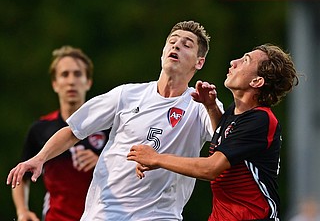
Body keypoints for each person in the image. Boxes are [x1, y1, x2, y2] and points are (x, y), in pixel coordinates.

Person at [7, 21, 224, 220]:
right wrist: (39, 158)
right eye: (172, 42)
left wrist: (211, 107)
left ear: (199, 62)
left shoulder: (202, 104)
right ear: (163, 52)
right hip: (105, 211)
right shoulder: (127, 94)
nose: (176, 46)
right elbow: (73, 130)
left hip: (160, 214)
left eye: (186, 45)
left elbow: (223, 141)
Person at [127, 43, 300, 221]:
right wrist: (211, 107)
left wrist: (157, 158)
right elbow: (228, 144)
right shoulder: (236, 113)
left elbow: (211, 168)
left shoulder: (260, 120)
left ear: (257, 82)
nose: (234, 62)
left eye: (245, 60)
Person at [11, 46, 109, 221]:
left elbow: (132, 168)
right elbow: (21, 175)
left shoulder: (107, 126)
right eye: (65, 75)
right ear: (55, 84)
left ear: (88, 81)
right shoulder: (40, 129)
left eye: (78, 74)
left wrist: (102, 162)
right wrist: (22, 211)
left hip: (102, 216)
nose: (71, 81)